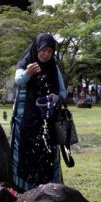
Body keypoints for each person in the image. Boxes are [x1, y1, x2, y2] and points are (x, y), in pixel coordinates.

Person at [10, 32, 66, 193]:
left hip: (46, 120)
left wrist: (56, 97)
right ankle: (22, 189)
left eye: (50, 51)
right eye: (43, 50)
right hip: (26, 121)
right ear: (36, 48)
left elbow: (62, 91)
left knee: (46, 155)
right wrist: (28, 73)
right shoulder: (26, 63)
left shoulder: (53, 68)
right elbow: (18, 79)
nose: (46, 54)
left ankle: (48, 189)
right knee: (26, 155)